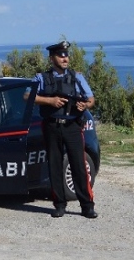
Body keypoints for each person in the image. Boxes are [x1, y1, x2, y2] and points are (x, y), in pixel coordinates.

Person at [32, 40, 97, 219]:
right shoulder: (41, 78)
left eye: (66, 55)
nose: (65, 58)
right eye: (60, 56)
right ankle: (59, 204)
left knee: (79, 166)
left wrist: (85, 105)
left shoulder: (77, 77)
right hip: (52, 126)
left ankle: (87, 206)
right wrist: (49, 101)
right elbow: (27, 96)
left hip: (72, 126)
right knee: (54, 166)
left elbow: (91, 99)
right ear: (52, 58)